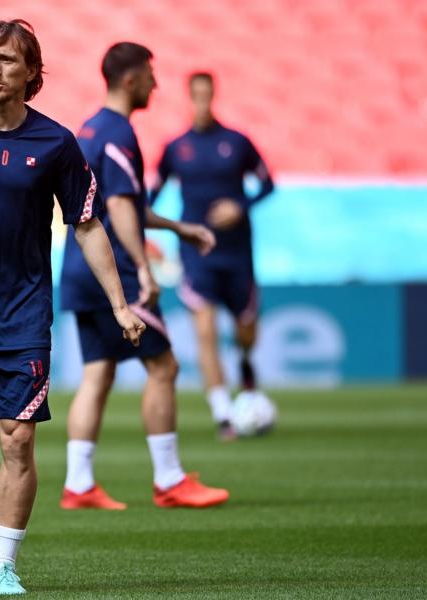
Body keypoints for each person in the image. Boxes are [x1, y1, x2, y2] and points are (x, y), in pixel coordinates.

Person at [0, 20, 146, 595]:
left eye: (8, 60)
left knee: (18, 438)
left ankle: (3, 563)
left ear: (32, 72)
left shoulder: (57, 143)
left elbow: (87, 225)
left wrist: (120, 303)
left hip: (24, 317)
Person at [59, 43, 229, 511]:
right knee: (164, 366)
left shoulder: (89, 130)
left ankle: (78, 484)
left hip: (77, 269)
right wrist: (141, 266)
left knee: (98, 373)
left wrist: (179, 228)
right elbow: (117, 207)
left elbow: (123, 202)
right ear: (131, 80)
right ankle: (169, 479)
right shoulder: (118, 134)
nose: (156, 83)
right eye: (150, 75)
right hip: (112, 272)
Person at [150, 72, 276, 439]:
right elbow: (151, 195)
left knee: (246, 331)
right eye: (197, 96)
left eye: (208, 95)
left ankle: (247, 365)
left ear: (213, 95)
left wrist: (240, 205)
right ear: (190, 97)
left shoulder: (237, 142)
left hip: (237, 253)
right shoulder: (177, 148)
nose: (203, 102)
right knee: (204, 329)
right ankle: (224, 414)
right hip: (196, 252)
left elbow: (267, 183)